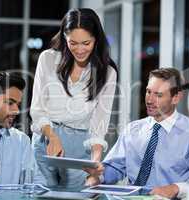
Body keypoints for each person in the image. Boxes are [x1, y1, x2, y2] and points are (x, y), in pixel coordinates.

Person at [85, 68, 189, 198]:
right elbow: (115, 167)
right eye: (148, 92)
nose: (149, 100)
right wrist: (98, 178)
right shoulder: (132, 130)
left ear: (176, 98)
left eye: (158, 95)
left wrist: (175, 188)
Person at [30, 8, 117, 188]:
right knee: (41, 194)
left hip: (80, 146)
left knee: (76, 195)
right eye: (73, 43)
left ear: (96, 40)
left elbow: (99, 123)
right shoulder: (47, 59)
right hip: (46, 140)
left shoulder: (107, 72)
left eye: (86, 43)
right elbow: (38, 108)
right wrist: (52, 137)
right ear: (64, 37)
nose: (79, 49)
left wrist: (94, 163)